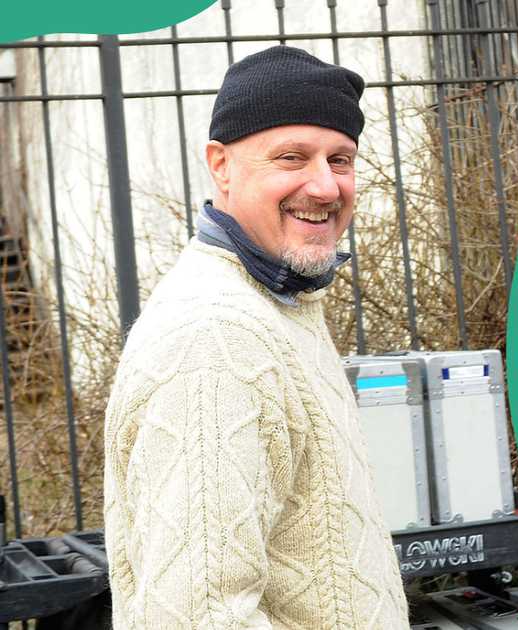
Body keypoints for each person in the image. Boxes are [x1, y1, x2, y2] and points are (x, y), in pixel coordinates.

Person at [103, 46, 409, 628]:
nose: (324, 187)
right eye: (292, 158)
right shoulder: (215, 340)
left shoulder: (280, 307)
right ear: (220, 165)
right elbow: (197, 617)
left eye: (340, 160)